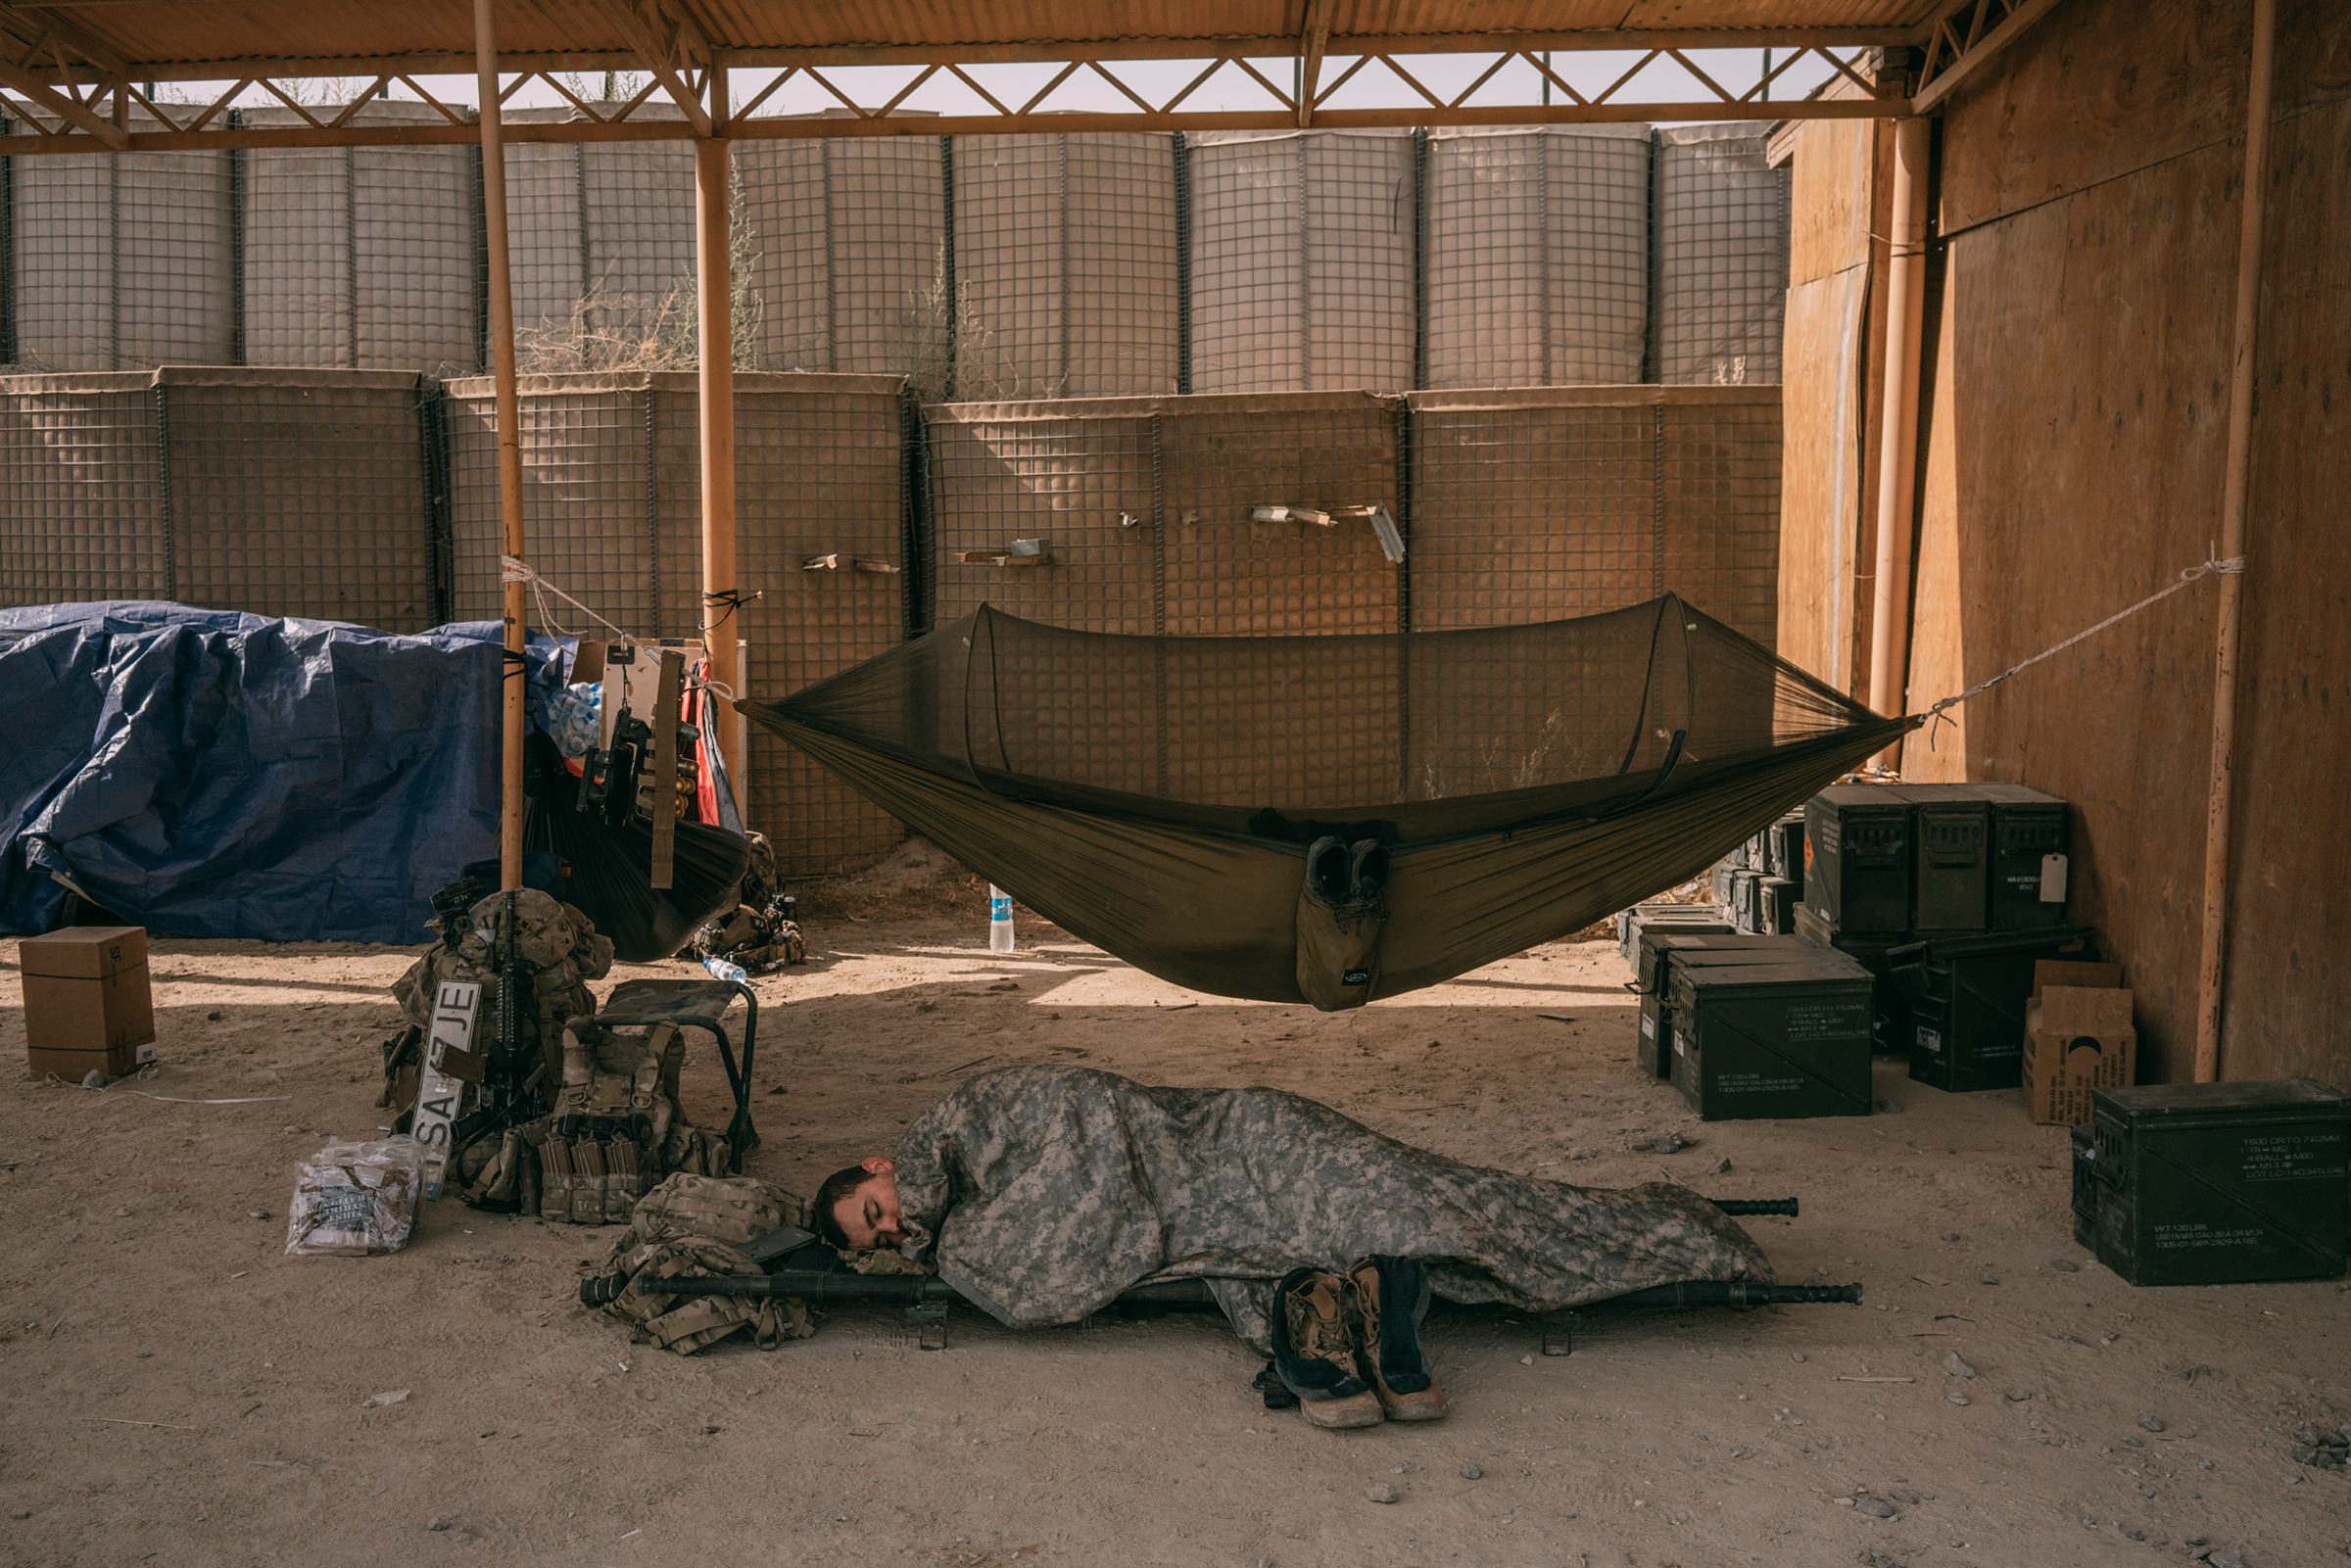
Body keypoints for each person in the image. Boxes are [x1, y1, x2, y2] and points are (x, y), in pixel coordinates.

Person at [809, 1066, 1770, 1431]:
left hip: (1251, 1142)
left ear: (877, 1164)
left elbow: (1087, 1108)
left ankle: (1681, 1236)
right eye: (879, 1236)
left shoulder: (958, 1123)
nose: (894, 1225)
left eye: (877, 1205)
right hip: (1224, 1229)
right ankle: (1365, 1337)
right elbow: (1045, 1289)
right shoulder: (962, 1246)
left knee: (1445, 1207)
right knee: (1293, 1273)